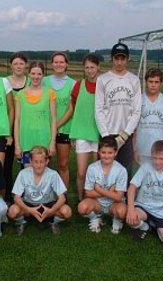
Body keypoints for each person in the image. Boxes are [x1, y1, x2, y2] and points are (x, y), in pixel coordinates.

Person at [95, 42, 142, 179]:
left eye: (122, 59)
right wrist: (105, 135)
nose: (119, 62)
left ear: (127, 59)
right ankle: (105, 198)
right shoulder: (103, 79)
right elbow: (98, 109)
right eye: (117, 59)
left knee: (125, 169)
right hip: (108, 132)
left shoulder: (134, 80)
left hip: (125, 134)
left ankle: (123, 197)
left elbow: (136, 110)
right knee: (106, 169)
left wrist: (125, 134)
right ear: (112, 59)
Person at [125, 140, 163, 250]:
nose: (157, 162)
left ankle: (155, 226)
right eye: (154, 158)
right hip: (144, 207)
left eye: (161, 159)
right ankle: (145, 226)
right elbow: (132, 187)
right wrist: (131, 209)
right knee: (130, 218)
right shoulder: (146, 166)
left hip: (162, 213)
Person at [8, 146, 72, 235]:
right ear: (30, 161)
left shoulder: (53, 174)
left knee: (67, 211)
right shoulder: (23, 173)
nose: (38, 165)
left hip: (48, 205)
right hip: (29, 205)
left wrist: (51, 211)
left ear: (47, 161)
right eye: (36, 162)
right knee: (12, 211)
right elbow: (16, 197)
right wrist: (29, 210)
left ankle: (53, 222)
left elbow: (62, 198)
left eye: (42, 162)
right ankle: (21, 222)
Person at [77, 137, 127, 234]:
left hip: (114, 204)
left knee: (122, 212)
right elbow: (88, 193)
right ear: (99, 152)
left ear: (115, 153)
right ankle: (95, 217)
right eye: (103, 152)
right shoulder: (92, 168)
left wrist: (99, 190)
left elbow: (118, 197)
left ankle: (116, 219)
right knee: (82, 207)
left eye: (110, 153)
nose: (106, 156)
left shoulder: (121, 170)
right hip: (97, 203)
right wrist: (110, 191)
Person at [69, 54, 101, 200]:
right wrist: (73, 134)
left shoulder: (103, 85)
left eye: (92, 67)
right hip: (82, 132)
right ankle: (82, 200)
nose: (89, 70)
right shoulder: (78, 85)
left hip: (99, 132)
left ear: (98, 67)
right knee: (81, 172)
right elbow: (74, 108)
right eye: (87, 67)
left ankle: (96, 199)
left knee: (98, 172)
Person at [14, 61, 56, 168]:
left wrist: (52, 142)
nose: (36, 77)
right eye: (33, 73)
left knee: (44, 176)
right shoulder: (20, 95)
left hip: (44, 141)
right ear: (28, 74)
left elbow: (53, 119)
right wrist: (17, 144)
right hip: (26, 141)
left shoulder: (50, 93)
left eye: (39, 74)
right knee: (28, 176)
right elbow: (17, 120)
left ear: (43, 75)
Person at [44, 52, 76, 188]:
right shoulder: (44, 81)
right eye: (56, 62)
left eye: (61, 62)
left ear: (66, 64)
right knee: (46, 164)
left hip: (64, 129)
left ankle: (63, 196)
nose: (58, 64)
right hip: (45, 128)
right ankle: (47, 194)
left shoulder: (73, 84)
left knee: (63, 165)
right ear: (52, 64)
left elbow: (71, 109)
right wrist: (51, 127)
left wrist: (56, 126)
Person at [133, 68, 163, 164]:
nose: (153, 85)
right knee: (143, 176)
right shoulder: (139, 100)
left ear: (161, 83)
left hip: (160, 148)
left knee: (159, 176)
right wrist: (135, 149)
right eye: (150, 81)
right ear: (146, 82)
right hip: (142, 147)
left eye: (156, 82)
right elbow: (134, 127)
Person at [5, 52, 30, 202]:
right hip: (8, 129)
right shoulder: (4, 82)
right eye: (15, 63)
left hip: (26, 129)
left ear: (26, 66)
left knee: (26, 165)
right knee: (6, 166)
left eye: (21, 63)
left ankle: (27, 198)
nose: (19, 66)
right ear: (11, 66)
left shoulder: (32, 81)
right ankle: (8, 197)